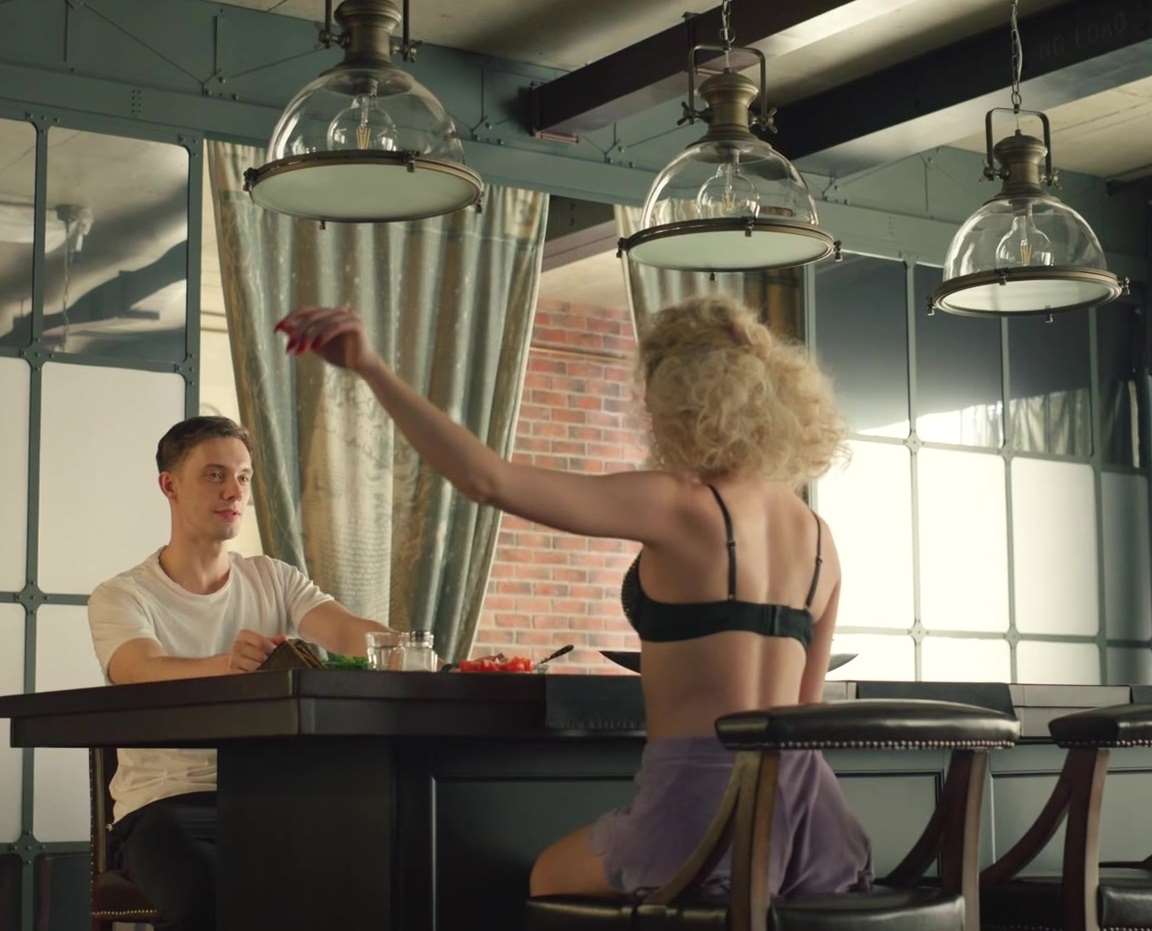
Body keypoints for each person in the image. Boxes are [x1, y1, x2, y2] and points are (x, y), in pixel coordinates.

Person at [275, 295, 872, 899]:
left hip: (701, 816)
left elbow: (488, 479)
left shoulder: (679, 503)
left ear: (682, 399)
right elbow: (803, 713)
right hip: (811, 822)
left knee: (548, 880)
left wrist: (371, 366)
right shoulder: (818, 538)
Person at [87, 415, 391, 930]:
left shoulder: (274, 578)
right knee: (205, 894)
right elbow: (139, 667)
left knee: (375, 872)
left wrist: (405, 646)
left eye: (244, 477)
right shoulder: (122, 595)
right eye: (215, 475)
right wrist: (227, 666)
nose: (234, 491)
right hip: (165, 806)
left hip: (273, 800)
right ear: (169, 485)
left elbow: (346, 630)